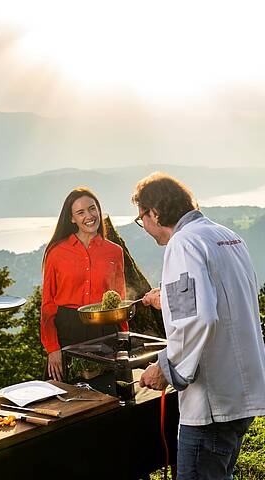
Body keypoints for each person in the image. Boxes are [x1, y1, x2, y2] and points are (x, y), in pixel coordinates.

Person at [133, 172, 265, 479]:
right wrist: (165, 298)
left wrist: (165, 368)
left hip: (211, 406)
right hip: (240, 391)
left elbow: (198, 319)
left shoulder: (183, 244)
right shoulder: (226, 236)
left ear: (155, 212)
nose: (147, 228)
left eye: (143, 219)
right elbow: (220, 300)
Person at [41, 188, 127, 381]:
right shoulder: (56, 252)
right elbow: (48, 305)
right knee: (66, 396)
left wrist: (125, 336)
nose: (89, 216)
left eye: (92, 209)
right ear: (71, 219)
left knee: (110, 393)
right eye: (81, 212)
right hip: (68, 330)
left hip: (105, 329)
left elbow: (119, 300)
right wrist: (52, 349)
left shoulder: (114, 252)